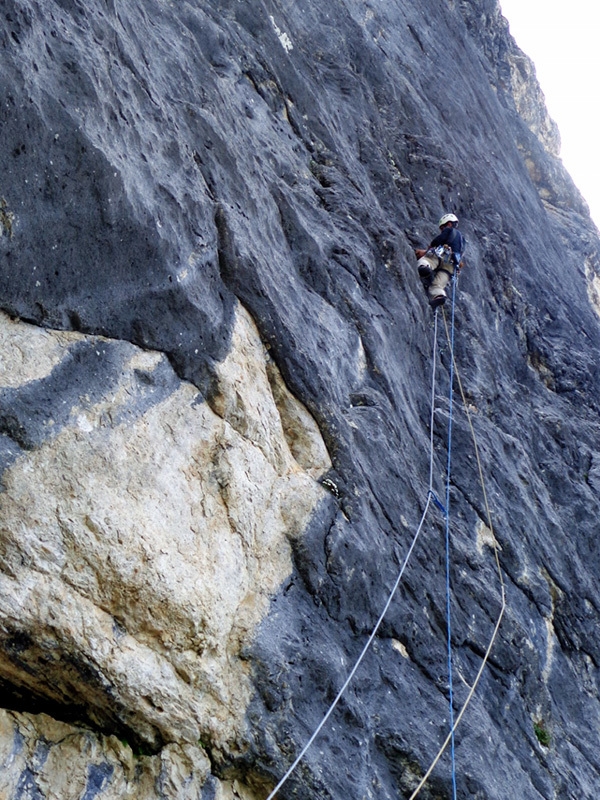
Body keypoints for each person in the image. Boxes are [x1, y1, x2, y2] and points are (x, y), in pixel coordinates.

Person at [415, 214, 465, 309]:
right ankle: (438, 295)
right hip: (451, 265)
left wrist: (430, 247)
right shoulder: (462, 241)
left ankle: (425, 267)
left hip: (442, 254)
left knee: (428, 260)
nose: (442, 230)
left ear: (449, 224)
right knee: (438, 284)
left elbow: (439, 240)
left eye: (442, 228)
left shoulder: (449, 230)